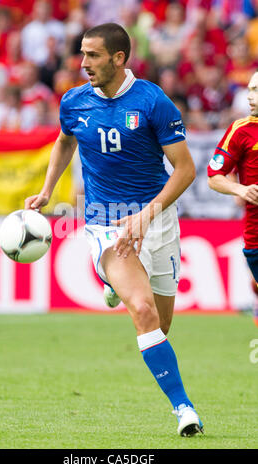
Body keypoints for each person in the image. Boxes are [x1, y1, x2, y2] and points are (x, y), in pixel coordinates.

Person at [25, 23, 204, 437]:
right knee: (141, 311)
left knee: (159, 326)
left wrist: (146, 215)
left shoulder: (153, 102)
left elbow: (186, 170)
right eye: (82, 54)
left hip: (156, 221)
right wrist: (47, 189)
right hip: (105, 222)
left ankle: (112, 282)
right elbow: (65, 140)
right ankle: (184, 409)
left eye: (93, 55)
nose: (83, 63)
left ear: (119, 58)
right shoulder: (74, 101)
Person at [207, 69, 258, 326]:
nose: (250, 97)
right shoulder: (241, 130)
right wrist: (241, 189)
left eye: (256, 90)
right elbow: (214, 176)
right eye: (249, 90)